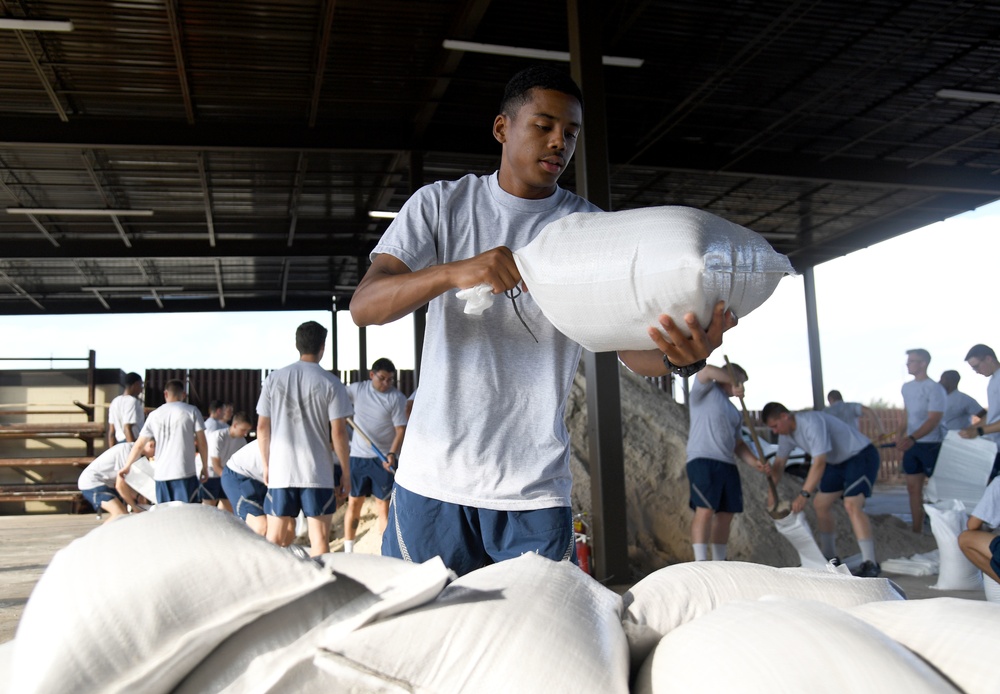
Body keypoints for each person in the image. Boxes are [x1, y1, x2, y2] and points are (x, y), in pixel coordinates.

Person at [350, 65, 733, 576]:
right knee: (425, 639)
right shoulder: (443, 206)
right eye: (544, 125)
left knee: (530, 646)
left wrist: (679, 358)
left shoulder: (590, 230)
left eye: (570, 133)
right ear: (502, 128)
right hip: (433, 480)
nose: (559, 143)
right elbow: (366, 305)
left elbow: (631, 352)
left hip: (532, 489)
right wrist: (454, 272)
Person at [256, 320, 353, 556]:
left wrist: (266, 465)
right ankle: (322, 591)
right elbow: (338, 433)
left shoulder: (274, 379)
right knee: (319, 541)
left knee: (275, 539)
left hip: (281, 471)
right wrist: (347, 474)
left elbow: (262, 428)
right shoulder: (331, 382)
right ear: (323, 346)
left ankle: (273, 585)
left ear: (297, 345)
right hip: (316, 472)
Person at [762, 402, 883, 577]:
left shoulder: (811, 422)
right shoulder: (785, 435)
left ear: (784, 416)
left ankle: (870, 563)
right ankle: (830, 557)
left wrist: (804, 494)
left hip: (859, 455)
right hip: (836, 462)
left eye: (775, 426)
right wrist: (771, 495)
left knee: (852, 504)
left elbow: (819, 462)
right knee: (820, 503)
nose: (774, 431)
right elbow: (779, 464)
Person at [685, 363, 769, 562]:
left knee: (726, 513)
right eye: (740, 381)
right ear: (728, 376)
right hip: (703, 459)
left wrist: (754, 462)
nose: (741, 387)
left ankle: (719, 561)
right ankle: (701, 562)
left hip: (727, 463)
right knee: (705, 510)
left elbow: (738, 444)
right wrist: (732, 378)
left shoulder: (734, 411)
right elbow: (705, 371)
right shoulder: (705, 392)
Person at [343, 358, 408, 552]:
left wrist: (391, 453)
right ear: (372, 375)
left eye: (390, 380)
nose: (386, 383)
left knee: (383, 505)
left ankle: (384, 550)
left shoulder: (396, 398)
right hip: (358, 457)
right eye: (382, 378)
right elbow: (336, 397)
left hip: (382, 460)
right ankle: (348, 550)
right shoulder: (357, 390)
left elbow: (400, 430)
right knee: (354, 502)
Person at [119, 379, 210, 504]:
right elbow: (202, 442)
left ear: (165, 394)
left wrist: (127, 466)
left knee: (165, 515)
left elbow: (139, 444)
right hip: (184, 472)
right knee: (186, 514)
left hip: (161, 475)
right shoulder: (192, 411)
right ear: (183, 395)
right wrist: (204, 466)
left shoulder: (154, 415)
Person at [894, 348, 946, 533]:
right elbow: (906, 414)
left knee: (940, 490)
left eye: (912, 361)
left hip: (930, 444)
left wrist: (913, 437)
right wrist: (900, 434)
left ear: (923, 363)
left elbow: (934, 419)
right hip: (912, 444)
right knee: (912, 488)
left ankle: (944, 528)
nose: (908, 365)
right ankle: (917, 530)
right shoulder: (906, 387)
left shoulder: (934, 388)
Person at [77, 439, 156, 520]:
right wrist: (134, 507)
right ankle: (100, 533)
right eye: (157, 452)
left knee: (123, 516)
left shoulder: (135, 453)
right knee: (119, 513)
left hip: (107, 484)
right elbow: (120, 485)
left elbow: (128, 484)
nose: (155, 456)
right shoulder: (127, 451)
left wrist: (138, 497)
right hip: (92, 483)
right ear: (151, 444)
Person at [958, 344, 1000, 482]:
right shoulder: (993, 380)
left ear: (989, 359)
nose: (976, 371)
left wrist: (980, 431)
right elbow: (993, 414)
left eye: (976, 366)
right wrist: (973, 427)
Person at [199, 411, 252, 512]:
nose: (245, 433)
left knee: (229, 508)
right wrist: (232, 481)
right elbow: (216, 465)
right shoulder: (218, 436)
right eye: (243, 430)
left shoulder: (242, 441)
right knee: (209, 507)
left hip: (227, 474)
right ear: (235, 425)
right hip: (211, 475)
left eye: (247, 431)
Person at [221, 440, 268, 535]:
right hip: (240, 475)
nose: (245, 433)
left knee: (288, 528)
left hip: (263, 480)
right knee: (261, 527)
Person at [107, 372, 144, 448]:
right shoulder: (131, 401)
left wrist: (112, 451)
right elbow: (127, 428)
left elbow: (111, 431)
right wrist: (133, 450)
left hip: (119, 443)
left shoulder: (115, 401)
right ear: (136, 384)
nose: (141, 389)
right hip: (131, 441)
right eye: (141, 385)